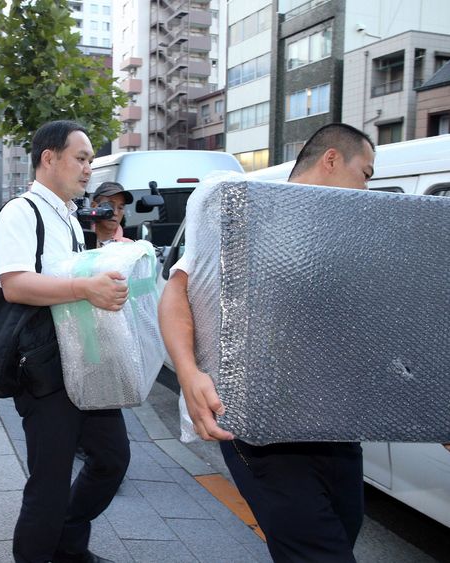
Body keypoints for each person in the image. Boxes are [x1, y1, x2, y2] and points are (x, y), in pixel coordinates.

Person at [158, 123, 376, 563]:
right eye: (366, 173)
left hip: (337, 428)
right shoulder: (243, 210)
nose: (367, 185)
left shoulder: (356, 234)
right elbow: (176, 290)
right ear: (332, 159)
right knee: (320, 552)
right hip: (261, 427)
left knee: (343, 529)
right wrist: (188, 371)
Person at [0, 120, 131, 563]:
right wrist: (85, 288)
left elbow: (76, 274)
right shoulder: (21, 211)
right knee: (49, 485)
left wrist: (110, 253)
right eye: (81, 158)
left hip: (85, 359)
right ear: (48, 158)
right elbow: (14, 285)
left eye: (90, 160)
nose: (88, 168)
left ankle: (68, 544)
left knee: (111, 459)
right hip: (43, 367)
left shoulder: (70, 215)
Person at [84, 182, 133, 249]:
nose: (115, 213)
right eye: (109, 206)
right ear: (94, 206)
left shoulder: (130, 248)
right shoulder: (79, 239)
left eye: (120, 208)